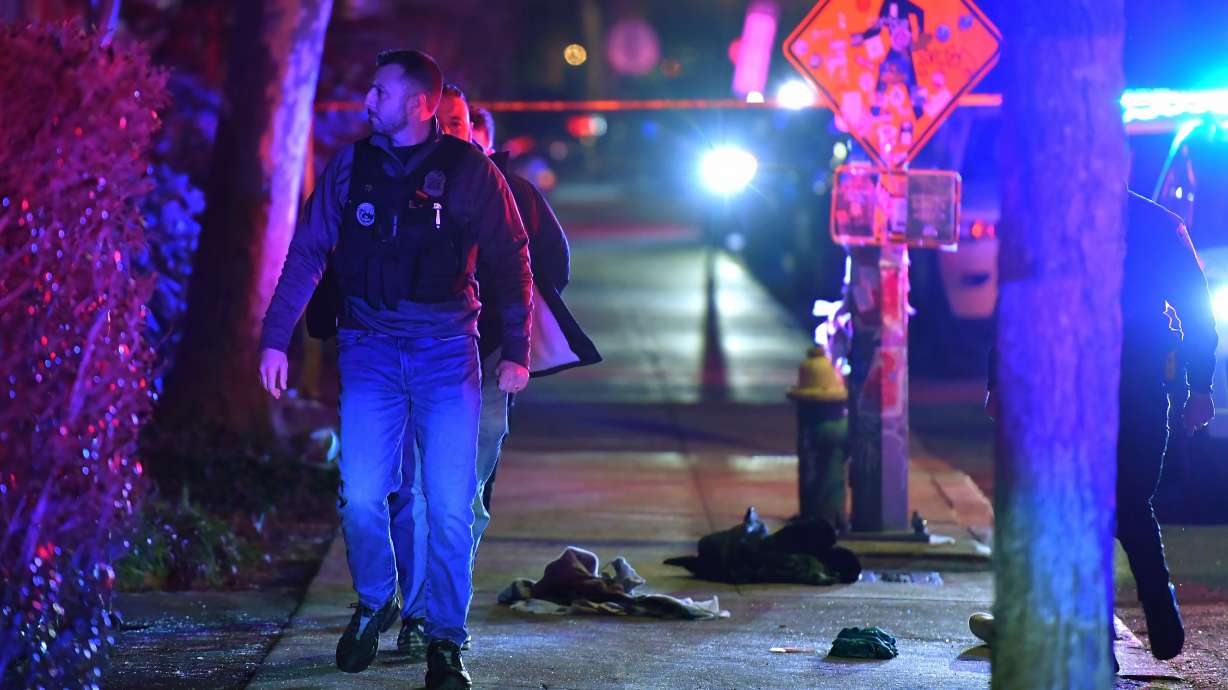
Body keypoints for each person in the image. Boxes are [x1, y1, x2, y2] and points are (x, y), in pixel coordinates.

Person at [258, 50, 532, 690]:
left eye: (379, 92)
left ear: (417, 104)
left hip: (445, 353)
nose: (366, 101)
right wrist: (276, 339)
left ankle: (443, 640)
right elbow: (307, 252)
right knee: (360, 497)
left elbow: (510, 258)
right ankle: (376, 599)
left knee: (449, 505)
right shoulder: (351, 166)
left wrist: (516, 350)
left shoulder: (469, 172)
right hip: (370, 350)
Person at [392, 83, 600, 659]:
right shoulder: (389, 187)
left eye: (458, 122)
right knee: (412, 493)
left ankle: (439, 608)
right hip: (405, 363)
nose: (450, 131)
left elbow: (553, 264)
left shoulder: (515, 196)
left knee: (459, 495)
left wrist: (512, 320)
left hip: (480, 368)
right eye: (441, 121)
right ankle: (420, 612)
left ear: (476, 131)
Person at [976, 190, 1217, 665]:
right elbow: (1196, 311)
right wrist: (1200, 387)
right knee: (1131, 503)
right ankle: (1160, 613)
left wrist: (1000, 380)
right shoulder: (1161, 224)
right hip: (1140, 388)